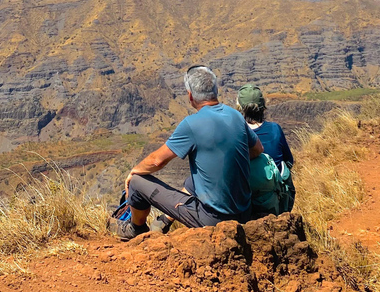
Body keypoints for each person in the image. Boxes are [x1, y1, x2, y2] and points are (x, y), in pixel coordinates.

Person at [109, 65, 264, 240]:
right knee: (192, 181)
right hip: (243, 215)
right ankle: (161, 223)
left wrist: (132, 172)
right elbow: (258, 149)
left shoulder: (192, 123)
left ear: (190, 96)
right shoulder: (235, 115)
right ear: (215, 90)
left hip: (211, 220)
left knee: (137, 182)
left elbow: (156, 161)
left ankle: (135, 229)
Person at [236, 84, 296, 216]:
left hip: (245, 203)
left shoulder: (236, 133)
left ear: (239, 108)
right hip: (275, 203)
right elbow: (289, 161)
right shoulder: (275, 129)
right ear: (263, 106)